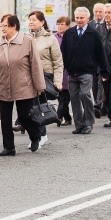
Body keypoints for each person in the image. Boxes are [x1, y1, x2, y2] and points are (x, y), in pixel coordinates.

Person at [0, 14, 46, 155]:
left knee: (24, 116)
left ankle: (35, 136)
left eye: (5, 25)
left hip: (24, 85)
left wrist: (39, 86)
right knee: (4, 118)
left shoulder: (27, 41)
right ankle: (9, 147)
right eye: (1, 26)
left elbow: (35, 64)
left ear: (14, 26)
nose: (2, 28)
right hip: (4, 86)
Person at [61, 7, 109, 135]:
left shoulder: (93, 34)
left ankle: (89, 123)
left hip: (87, 71)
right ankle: (79, 124)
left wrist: (105, 71)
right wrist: (62, 69)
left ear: (88, 19)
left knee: (84, 94)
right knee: (74, 98)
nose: (79, 20)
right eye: (77, 18)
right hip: (72, 72)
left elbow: (101, 53)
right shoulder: (69, 33)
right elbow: (63, 53)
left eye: (82, 18)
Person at [27, 10, 63, 148]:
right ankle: (37, 133)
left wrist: (58, 80)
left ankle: (41, 135)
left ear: (42, 22)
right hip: (28, 77)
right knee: (30, 106)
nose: (31, 22)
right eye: (29, 19)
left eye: (34, 19)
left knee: (39, 106)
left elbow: (58, 61)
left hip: (44, 76)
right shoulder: (25, 38)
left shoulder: (50, 38)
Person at [54, 16, 72, 126]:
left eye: (62, 24)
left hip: (67, 71)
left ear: (68, 26)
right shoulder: (54, 37)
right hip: (57, 71)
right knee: (59, 96)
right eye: (58, 24)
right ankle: (68, 117)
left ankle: (58, 117)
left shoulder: (71, 36)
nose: (60, 26)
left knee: (65, 97)